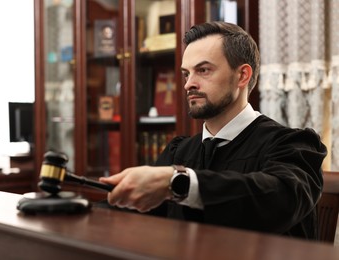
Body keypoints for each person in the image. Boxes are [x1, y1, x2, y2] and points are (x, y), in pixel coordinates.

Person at [99, 21, 327, 240]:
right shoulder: (179, 152)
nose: (189, 84)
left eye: (204, 70)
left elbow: (280, 199)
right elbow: (136, 219)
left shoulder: (293, 145)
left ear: (242, 76)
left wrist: (180, 182)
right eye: (187, 73)